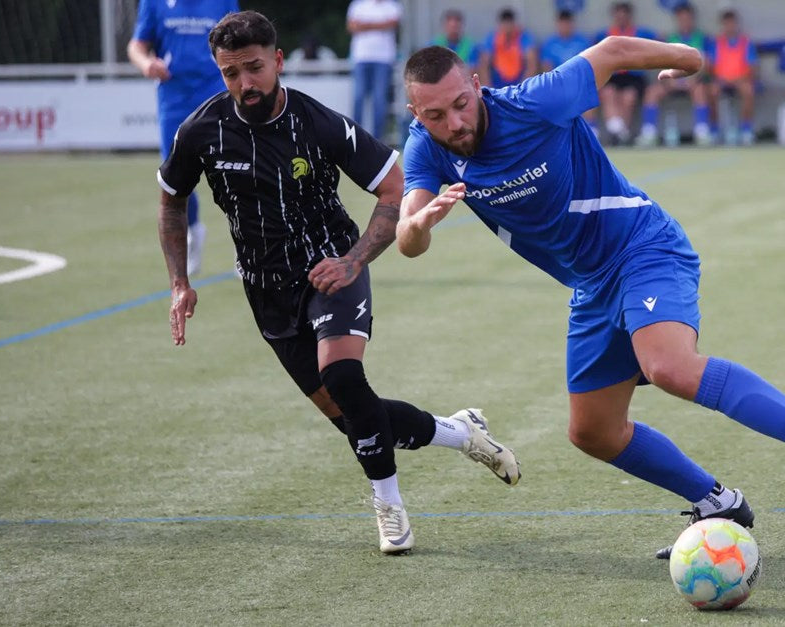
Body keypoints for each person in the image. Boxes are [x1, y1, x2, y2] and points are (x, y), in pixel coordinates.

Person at [398, 40, 785, 559]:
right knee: (592, 430)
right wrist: (417, 224)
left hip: (643, 247)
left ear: (477, 85)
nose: (454, 122)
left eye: (461, 104)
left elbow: (613, 51)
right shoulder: (425, 147)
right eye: (436, 114)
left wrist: (690, 61)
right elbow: (408, 236)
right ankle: (718, 502)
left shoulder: (537, 102)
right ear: (417, 113)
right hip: (592, 285)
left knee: (670, 368)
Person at [155, 11, 520, 555]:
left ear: (278, 61)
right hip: (265, 291)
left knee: (345, 377)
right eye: (231, 73)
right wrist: (179, 282)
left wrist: (352, 260)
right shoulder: (201, 131)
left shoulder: (318, 123)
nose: (244, 84)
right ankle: (461, 433)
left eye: (254, 68)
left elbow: (393, 188)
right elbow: (170, 199)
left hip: (332, 269)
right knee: (356, 420)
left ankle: (389, 508)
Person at [128, 0, 238, 277]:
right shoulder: (154, 3)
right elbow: (137, 45)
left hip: (217, 93)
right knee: (175, 175)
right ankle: (193, 230)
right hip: (173, 98)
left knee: (235, 169)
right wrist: (146, 63)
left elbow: (241, 37)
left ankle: (245, 244)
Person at [637, 2, 713, 147]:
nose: (684, 22)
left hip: (693, 82)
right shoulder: (669, 38)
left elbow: (706, 64)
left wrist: (693, 79)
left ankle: (702, 132)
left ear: (692, 19)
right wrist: (669, 81)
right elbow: (662, 63)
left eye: (687, 18)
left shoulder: (702, 38)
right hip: (671, 82)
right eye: (681, 18)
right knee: (652, 92)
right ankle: (648, 133)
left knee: (701, 91)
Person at [596, 2, 659, 144]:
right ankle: (618, 130)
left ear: (629, 16)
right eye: (618, 16)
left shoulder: (641, 33)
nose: (621, 19)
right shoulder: (604, 34)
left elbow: (659, 42)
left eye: (624, 15)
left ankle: (620, 132)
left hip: (634, 76)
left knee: (628, 97)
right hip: (613, 75)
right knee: (608, 93)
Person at [346, 0, 402, 140]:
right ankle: (355, 137)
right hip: (361, 57)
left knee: (380, 100)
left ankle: (377, 140)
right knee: (358, 98)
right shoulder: (357, 5)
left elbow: (393, 23)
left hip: (384, 59)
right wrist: (380, 24)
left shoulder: (393, 5)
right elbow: (352, 26)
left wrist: (365, 24)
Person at [540, 10, 598, 134]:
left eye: (568, 23)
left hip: (578, 82)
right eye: (562, 24)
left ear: (572, 24)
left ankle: (593, 132)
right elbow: (547, 68)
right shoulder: (550, 44)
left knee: (588, 95)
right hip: (558, 84)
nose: (565, 27)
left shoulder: (582, 42)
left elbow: (590, 65)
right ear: (558, 24)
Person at [708, 9, 758, 146]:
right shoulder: (717, 43)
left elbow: (752, 66)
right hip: (722, 80)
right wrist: (719, 77)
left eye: (732, 23)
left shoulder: (746, 42)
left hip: (740, 80)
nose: (730, 26)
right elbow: (711, 66)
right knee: (712, 91)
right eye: (727, 24)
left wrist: (741, 78)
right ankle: (714, 130)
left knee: (748, 91)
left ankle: (746, 130)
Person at [479, 8, 537, 88]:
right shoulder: (491, 38)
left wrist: (523, 87)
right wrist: (488, 88)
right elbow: (484, 65)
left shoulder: (524, 37)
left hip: (519, 82)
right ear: (500, 24)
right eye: (504, 24)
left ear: (514, 24)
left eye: (509, 23)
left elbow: (532, 64)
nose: (507, 27)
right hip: (497, 83)